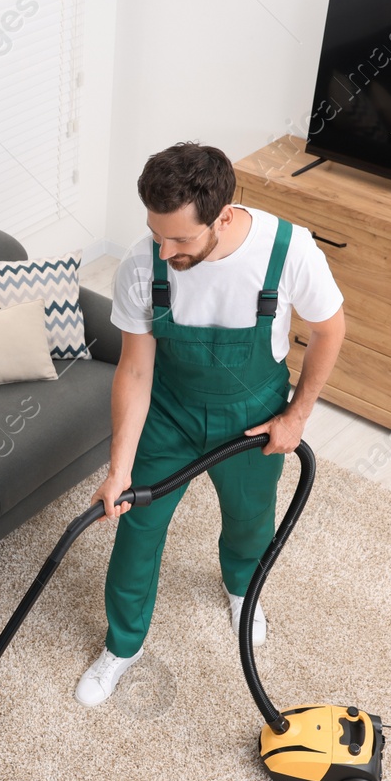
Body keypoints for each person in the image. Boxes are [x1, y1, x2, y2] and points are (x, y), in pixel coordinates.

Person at [75, 142, 345, 707]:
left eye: (180, 239)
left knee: (250, 521)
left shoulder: (288, 250)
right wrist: (119, 466)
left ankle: (244, 592)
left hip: (253, 416)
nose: (164, 249)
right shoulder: (142, 262)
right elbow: (135, 368)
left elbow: (329, 331)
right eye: (156, 233)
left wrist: (295, 416)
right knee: (137, 530)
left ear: (223, 215)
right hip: (169, 412)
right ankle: (123, 646)